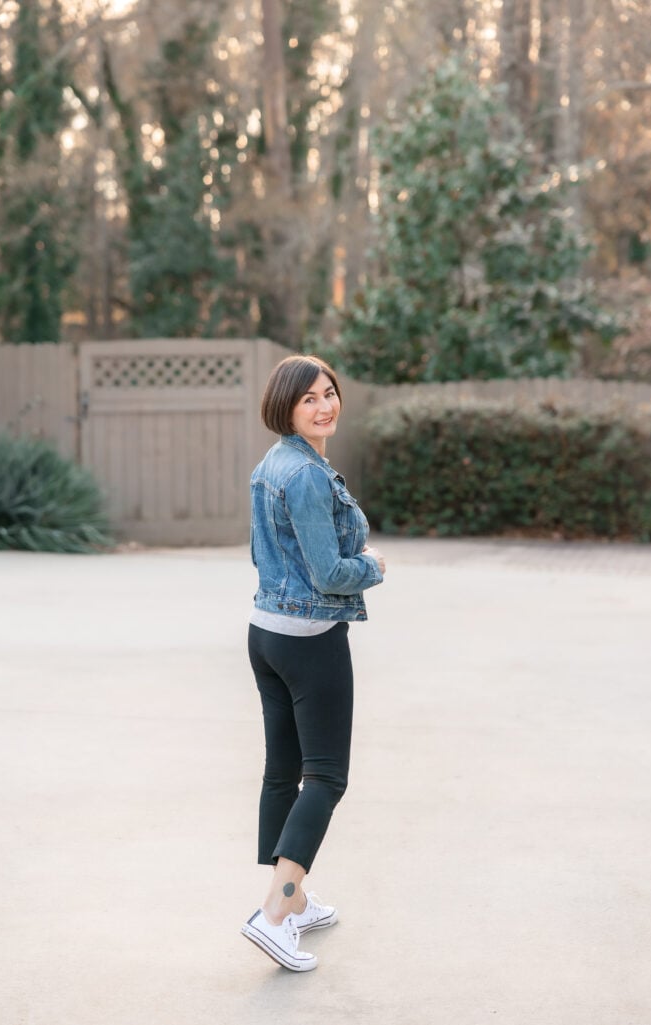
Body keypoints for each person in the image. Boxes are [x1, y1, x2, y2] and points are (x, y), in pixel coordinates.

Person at [241, 354, 386, 972]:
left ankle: (288, 901)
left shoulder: (272, 465)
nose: (325, 406)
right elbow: (329, 574)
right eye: (310, 399)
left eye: (330, 393)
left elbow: (259, 554)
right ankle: (277, 912)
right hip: (308, 637)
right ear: (286, 407)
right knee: (326, 778)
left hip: (267, 633)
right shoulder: (303, 475)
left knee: (284, 773)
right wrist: (373, 567)